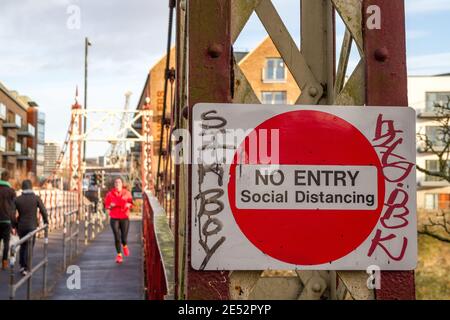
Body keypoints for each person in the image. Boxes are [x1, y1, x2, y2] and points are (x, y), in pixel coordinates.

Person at [15, 180, 48, 276]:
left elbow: (12, 214)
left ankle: (22, 266)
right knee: (30, 246)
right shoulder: (36, 198)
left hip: (21, 226)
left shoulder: (17, 199)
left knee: (23, 245)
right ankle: (27, 267)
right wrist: (46, 221)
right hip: (32, 226)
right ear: (31, 187)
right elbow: (43, 211)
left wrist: (15, 224)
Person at [104, 177, 132, 264]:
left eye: (119, 182)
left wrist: (128, 205)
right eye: (116, 182)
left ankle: (125, 245)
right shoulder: (110, 194)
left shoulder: (127, 193)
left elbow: (131, 203)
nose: (117, 184)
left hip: (124, 217)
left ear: (122, 184)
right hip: (114, 217)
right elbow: (106, 206)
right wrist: (110, 206)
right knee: (117, 236)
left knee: (124, 238)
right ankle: (119, 255)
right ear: (114, 184)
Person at [0, 171, 16, 270]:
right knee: (6, 242)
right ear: (8, 179)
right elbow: (13, 209)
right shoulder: (11, 191)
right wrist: (14, 224)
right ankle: (4, 262)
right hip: (6, 220)